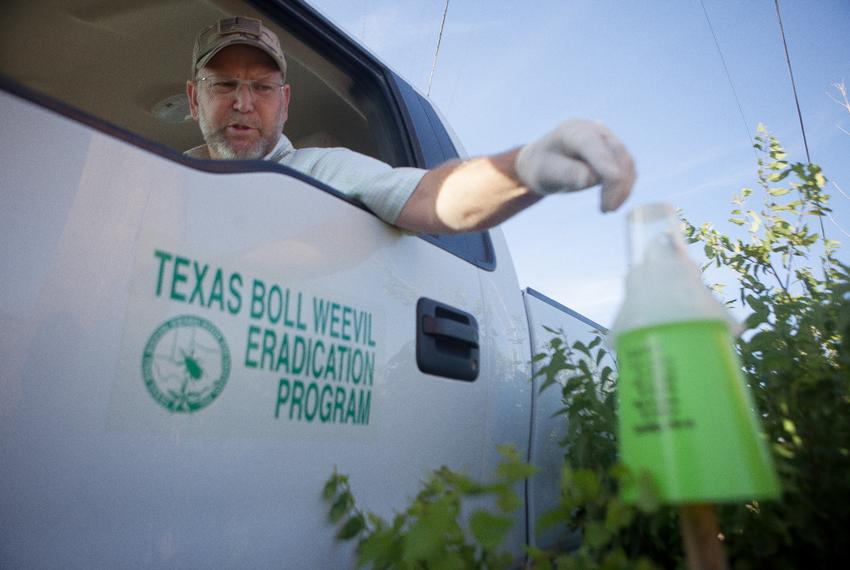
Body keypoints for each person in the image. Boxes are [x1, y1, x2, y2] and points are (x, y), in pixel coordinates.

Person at [185, 16, 636, 234]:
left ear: (284, 103)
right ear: (193, 98)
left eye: (262, 88)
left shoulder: (324, 172)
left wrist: (522, 170)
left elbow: (425, 196)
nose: (243, 103)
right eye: (223, 85)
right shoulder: (156, 177)